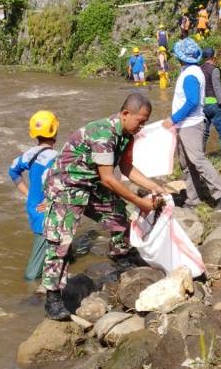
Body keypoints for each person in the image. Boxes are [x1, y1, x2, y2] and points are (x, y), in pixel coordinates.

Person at [40, 94, 169, 320]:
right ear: (125, 114)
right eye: (140, 121)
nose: (142, 126)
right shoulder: (103, 133)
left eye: (145, 122)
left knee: (119, 215)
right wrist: (141, 202)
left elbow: (127, 167)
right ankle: (53, 297)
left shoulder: (127, 134)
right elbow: (109, 179)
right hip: (67, 185)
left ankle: (120, 255)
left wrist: (155, 187)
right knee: (61, 241)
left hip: (91, 182)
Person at [163, 39, 221, 212]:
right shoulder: (192, 71)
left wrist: (173, 119)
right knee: (187, 165)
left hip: (190, 125)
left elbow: (193, 101)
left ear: (181, 57)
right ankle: (192, 199)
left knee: (197, 160)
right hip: (186, 124)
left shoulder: (191, 74)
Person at [8, 111, 59, 290]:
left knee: (53, 244)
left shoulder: (30, 154)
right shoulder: (56, 158)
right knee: (32, 273)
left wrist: (27, 193)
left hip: (33, 208)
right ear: (55, 132)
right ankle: (31, 292)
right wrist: (52, 201)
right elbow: (64, 184)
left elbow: (12, 171)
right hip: (44, 214)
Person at [199, 47, 221, 162]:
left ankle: (200, 157)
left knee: (204, 133)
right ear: (213, 56)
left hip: (203, 105)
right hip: (214, 105)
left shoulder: (199, 69)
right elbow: (217, 87)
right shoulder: (214, 70)